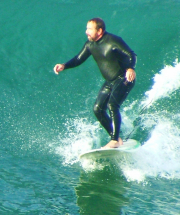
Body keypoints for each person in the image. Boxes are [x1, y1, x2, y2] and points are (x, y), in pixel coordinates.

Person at [54, 18, 136, 148]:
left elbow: (131, 55)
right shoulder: (90, 45)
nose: (86, 32)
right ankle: (117, 138)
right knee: (98, 109)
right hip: (110, 81)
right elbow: (78, 59)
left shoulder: (114, 41)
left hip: (124, 78)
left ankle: (114, 140)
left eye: (90, 29)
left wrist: (130, 68)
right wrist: (64, 65)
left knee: (112, 105)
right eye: (86, 29)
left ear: (100, 31)